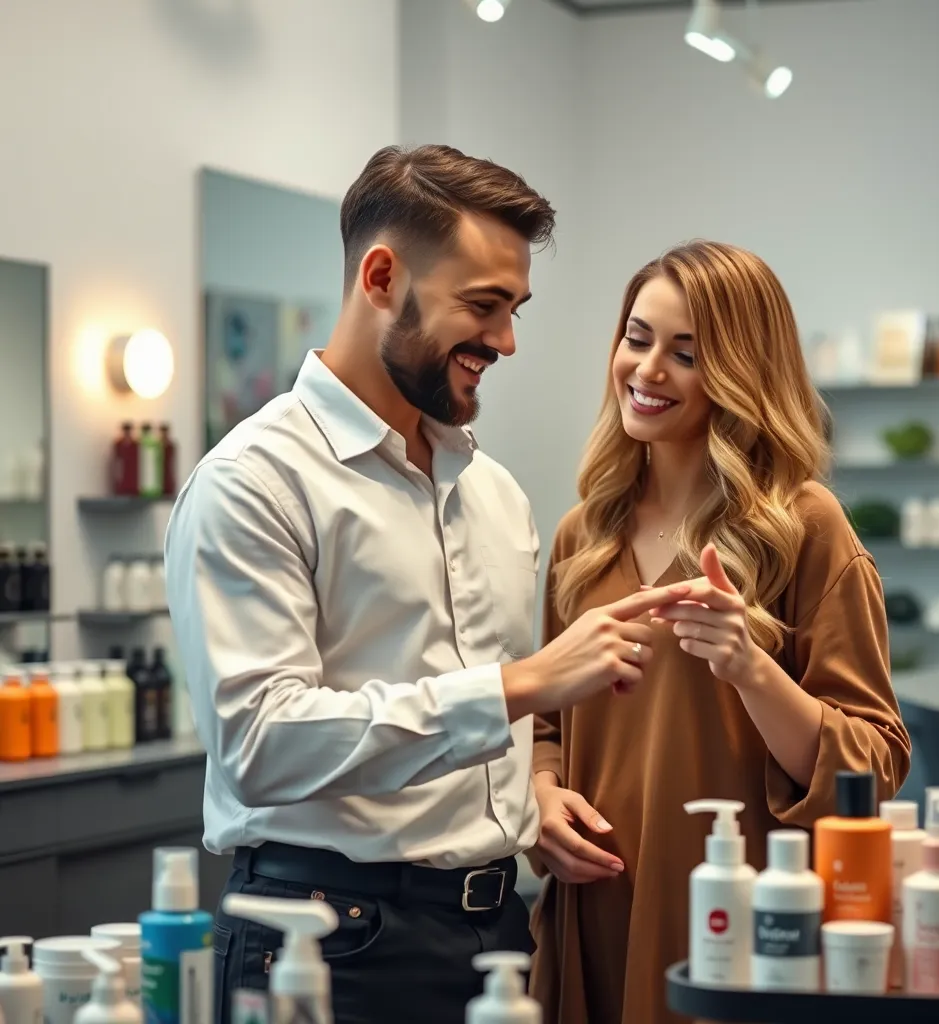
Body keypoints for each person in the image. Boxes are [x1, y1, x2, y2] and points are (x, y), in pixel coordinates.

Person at [163, 144, 687, 1024]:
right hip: (327, 946)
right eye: (482, 306)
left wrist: (532, 798)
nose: (506, 341)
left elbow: (476, 747)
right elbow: (258, 742)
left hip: (500, 935)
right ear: (380, 277)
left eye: (515, 309)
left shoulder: (496, 495)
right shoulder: (253, 483)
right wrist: (522, 686)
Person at [528, 240, 912, 1024]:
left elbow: (873, 764)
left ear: (741, 372)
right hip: (595, 917)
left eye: (686, 353)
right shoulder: (583, 535)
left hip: (735, 932)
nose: (647, 371)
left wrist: (751, 669)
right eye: (636, 339)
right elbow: (545, 724)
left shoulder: (806, 529)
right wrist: (539, 796)